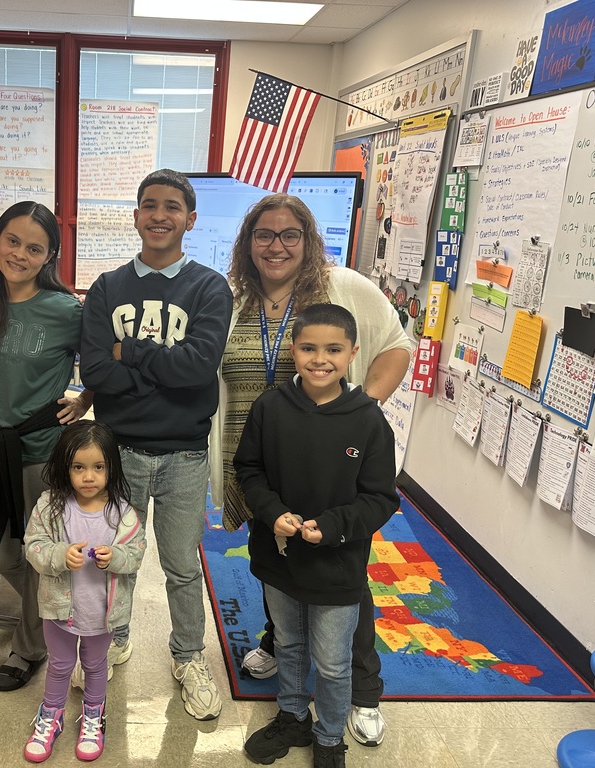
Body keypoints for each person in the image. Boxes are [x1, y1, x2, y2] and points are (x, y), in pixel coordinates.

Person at [210, 193, 411, 747]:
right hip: (258, 454)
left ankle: (362, 690)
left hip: (333, 460)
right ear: (248, 242)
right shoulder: (233, 298)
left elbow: (396, 344)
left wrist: (360, 410)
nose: (276, 246)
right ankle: (280, 645)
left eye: (289, 234)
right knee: (277, 556)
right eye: (264, 235)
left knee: (342, 573)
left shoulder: (340, 287)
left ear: (308, 240)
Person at [79, 168, 234, 720]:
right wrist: (155, 368)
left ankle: (188, 656)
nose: (160, 215)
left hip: (185, 454)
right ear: (137, 216)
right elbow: (95, 365)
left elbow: (198, 370)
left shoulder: (210, 287)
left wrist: (132, 355)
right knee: (115, 559)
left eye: (173, 206)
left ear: (190, 220)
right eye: (150, 205)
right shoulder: (106, 287)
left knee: (182, 565)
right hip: (118, 450)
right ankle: (114, 638)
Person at [234, 303, 399, 768]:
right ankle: (292, 716)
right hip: (278, 556)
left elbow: (381, 498)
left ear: (352, 353)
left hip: (337, 566)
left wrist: (332, 527)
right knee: (287, 643)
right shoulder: (270, 406)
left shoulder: (367, 419)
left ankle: (329, 737)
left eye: (333, 349)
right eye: (308, 348)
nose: (319, 359)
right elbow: (248, 469)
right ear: (293, 350)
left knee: (331, 661)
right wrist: (272, 512)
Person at [0, 200, 93, 693]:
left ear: (49, 255)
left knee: (39, 555)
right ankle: (55, 605)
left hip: (44, 451)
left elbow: (101, 361)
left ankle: (29, 646)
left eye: (34, 247)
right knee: (0, 556)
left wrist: (85, 399)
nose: (20, 253)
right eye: (12, 241)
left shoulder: (64, 310)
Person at [22, 420, 146, 763]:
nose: (88, 476)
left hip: (102, 613)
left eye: (98, 467)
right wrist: (60, 555)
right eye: (79, 467)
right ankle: (52, 715)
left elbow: (136, 553)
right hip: (59, 610)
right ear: (66, 467)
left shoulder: (123, 513)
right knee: (60, 665)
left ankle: (93, 716)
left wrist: (115, 557)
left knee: (95, 665)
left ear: (111, 468)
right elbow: (33, 547)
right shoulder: (50, 506)